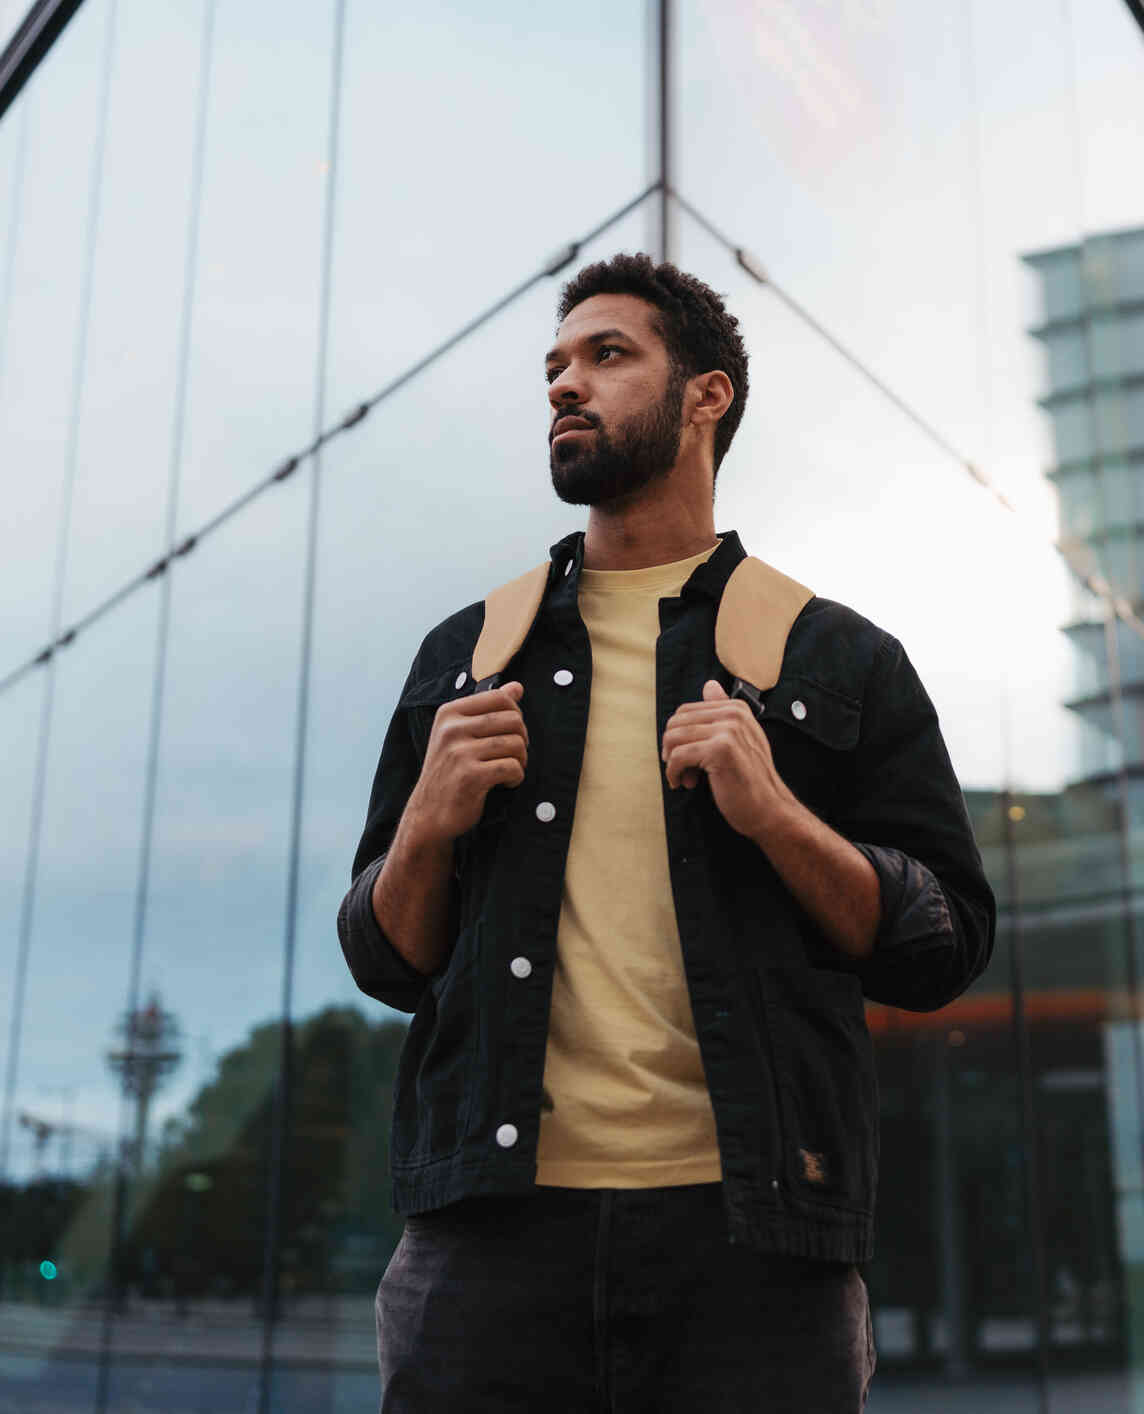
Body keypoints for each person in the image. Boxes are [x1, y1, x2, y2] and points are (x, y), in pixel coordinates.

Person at [337, 252, 994, 1412]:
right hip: (484, 1242)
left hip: (752, 1248)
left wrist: (778, 816)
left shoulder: (833, 656)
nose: (562, 385)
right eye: (552, 366)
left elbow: (941, 946)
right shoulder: (464, 654)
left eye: (605, 355)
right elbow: (384, 957)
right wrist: (430, 823)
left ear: (706, 396)